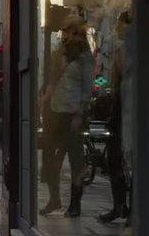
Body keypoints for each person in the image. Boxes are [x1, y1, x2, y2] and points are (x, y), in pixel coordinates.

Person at [39, 14, 94, 218]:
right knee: (49, 160)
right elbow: (52, 82)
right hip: (55, 111)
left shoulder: (85, 57)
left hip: (73, 113)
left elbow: (87, 88)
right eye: (64, 31)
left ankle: (75, 204)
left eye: (68, 31)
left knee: (76, 160)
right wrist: (44, 100)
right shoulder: (57, 53)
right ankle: (54, 199)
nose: (65, 35)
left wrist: (80, 113)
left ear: (76, 32)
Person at [99, 11, 131, 223]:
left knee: (126, 161)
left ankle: (126, 208)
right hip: (122, 112)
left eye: (120, 25)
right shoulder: (122, 51)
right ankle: (121, 206)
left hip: (128, 113)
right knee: (115, 160)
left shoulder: (130, 51)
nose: (116, 29)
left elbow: (119, 86)